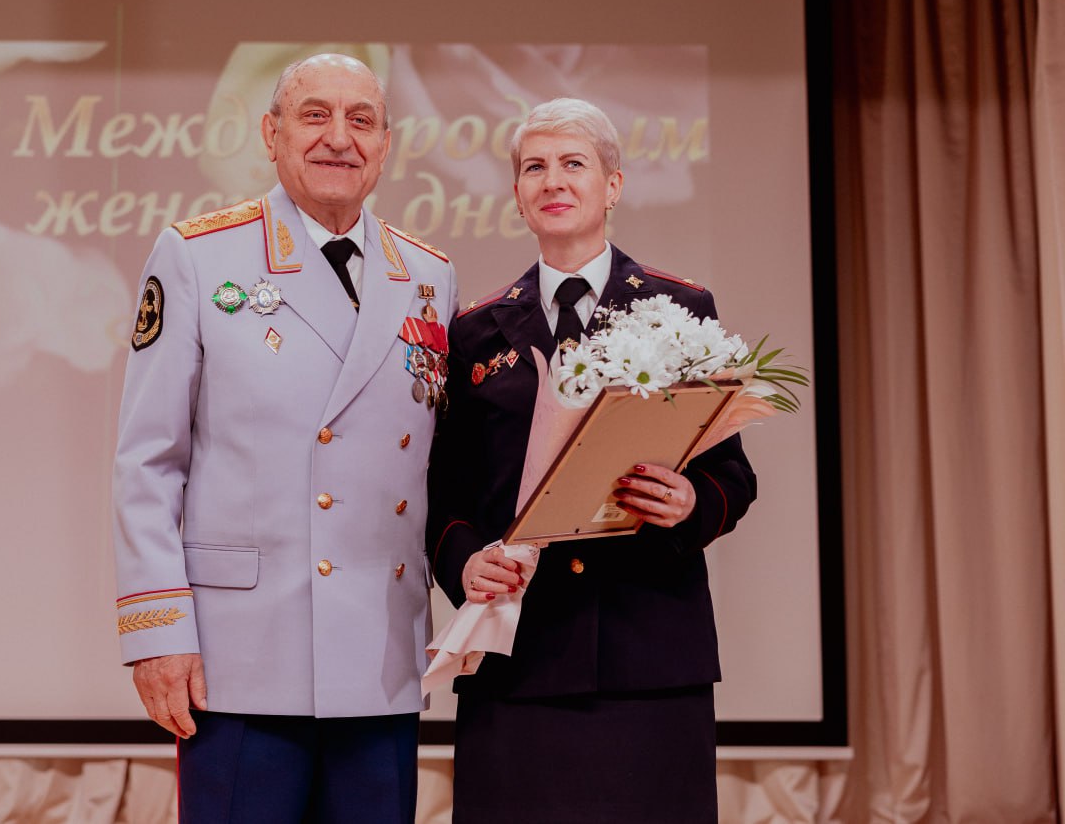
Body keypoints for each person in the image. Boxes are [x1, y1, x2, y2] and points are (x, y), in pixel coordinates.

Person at [112, 53, 458, 822]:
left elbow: (437, 462)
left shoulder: (430, 275)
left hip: (378, 656)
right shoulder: (198, 256)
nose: (339, 137)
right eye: (314, 115)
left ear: (386, 145)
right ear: (271, 134)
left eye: (361, 120)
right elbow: (148, 462)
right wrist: (157, 630)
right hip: (238, 658)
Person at [426, 98, 756, 823]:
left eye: (573, 163)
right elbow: (445, 496)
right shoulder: (475, 331)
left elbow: (731, 476)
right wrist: (463, 563)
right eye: (534, 167)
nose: (553, 180)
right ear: (517, 193)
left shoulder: (679, 306)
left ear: (613, 185)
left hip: (649, 662)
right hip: (517, 660)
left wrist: (690, 503)